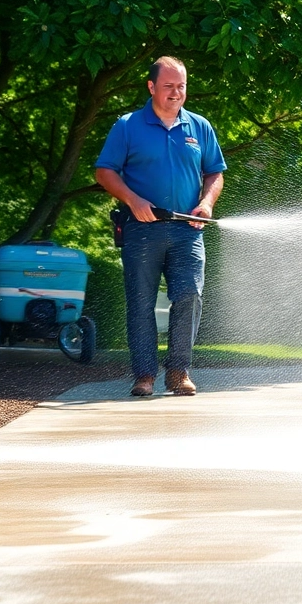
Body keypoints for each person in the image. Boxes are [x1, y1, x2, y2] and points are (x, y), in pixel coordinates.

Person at [95, 57, 226, 397]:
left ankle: (178, 372)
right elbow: (105, 171)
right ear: (151, 87)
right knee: (141, 302)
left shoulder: (200, 127)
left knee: (189, 296)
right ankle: (144, 376)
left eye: (181, 86)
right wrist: (133, 200)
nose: (176, 93)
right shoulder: (127, 126)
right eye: (168, 86)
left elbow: (215, 172)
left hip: (187, 230)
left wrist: (206, 204)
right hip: (142, 229)